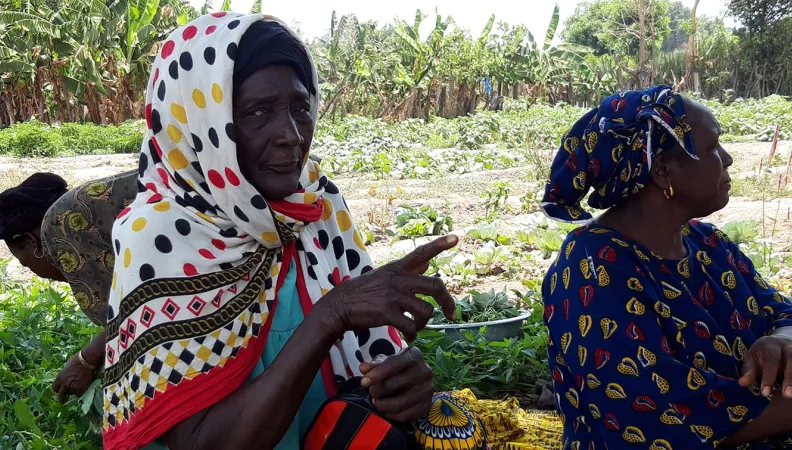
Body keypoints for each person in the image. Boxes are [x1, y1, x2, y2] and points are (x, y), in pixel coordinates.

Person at [102, 13, 491, 450]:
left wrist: (400, 381)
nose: (290, 135)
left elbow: (367, 359)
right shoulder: (157, 236)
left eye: (300, 109)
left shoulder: (314, 206)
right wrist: (331, 314)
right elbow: (199, 442)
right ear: (198, 122)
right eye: (256, 112)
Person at [541, 85, 792, 449]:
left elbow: (779, 310)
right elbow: (656, 415)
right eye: (712, 148)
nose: (727, 159)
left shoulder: (708, 243)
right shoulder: (592, 270)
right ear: (662, 171)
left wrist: (782, 339)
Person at [0, 170, 138, 401]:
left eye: (26, 263)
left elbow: (146, 305)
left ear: (33, 243)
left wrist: (86, 360)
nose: (34, 272)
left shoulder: (66, 231)